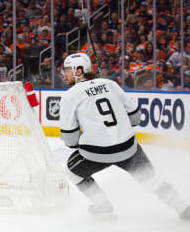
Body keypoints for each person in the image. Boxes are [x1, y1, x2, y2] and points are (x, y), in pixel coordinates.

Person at [59, 52, 190, 220]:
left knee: (72, 172)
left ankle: (103, 207)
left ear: (79, 71)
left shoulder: (70, 95)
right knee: (151, 179)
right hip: (128, 147)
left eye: (68, 70)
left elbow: (70, 140)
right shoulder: (111, 84)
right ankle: (183, 209)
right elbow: (136, 118)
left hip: (96, 154)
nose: (65, 74)